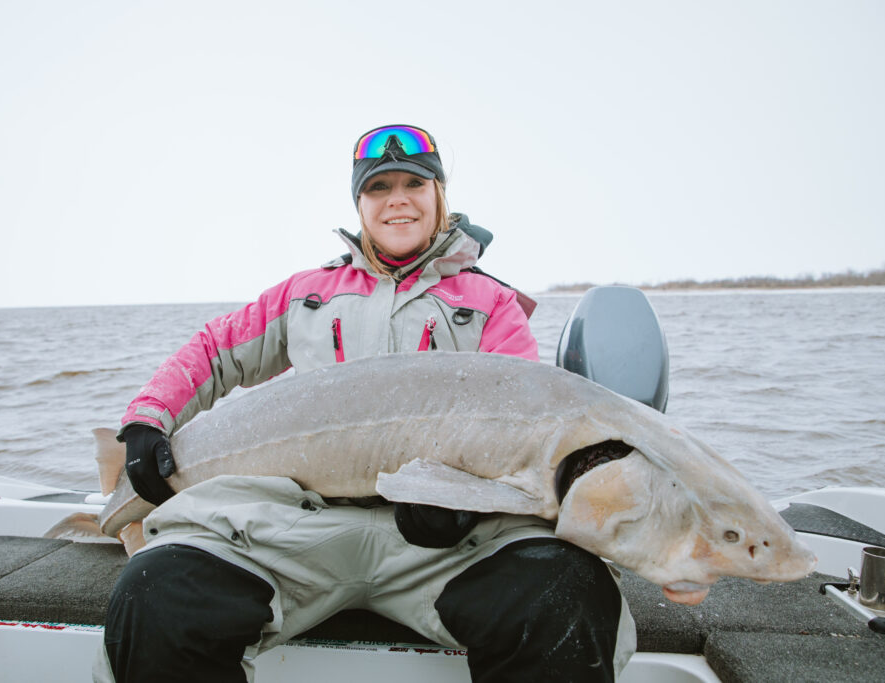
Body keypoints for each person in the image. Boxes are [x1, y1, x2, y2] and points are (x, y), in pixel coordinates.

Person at [96, 124, 636, 682]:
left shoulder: (493, 304)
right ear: (359, 203)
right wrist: (147, 419)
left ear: (439, 196)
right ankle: (117, 515)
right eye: (378, 188)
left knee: (565, 590)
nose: (397, 200)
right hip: (295, 527)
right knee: (157, 595)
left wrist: (467, 500)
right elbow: (213, 352)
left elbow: (526, 423)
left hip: (444, 544)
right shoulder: (304, 293)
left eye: (414, 184)